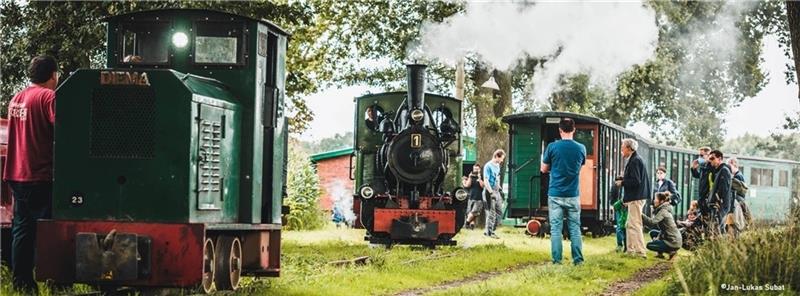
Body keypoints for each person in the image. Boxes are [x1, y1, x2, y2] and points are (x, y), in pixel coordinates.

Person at [3, 55, 58, 292]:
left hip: (16, 174)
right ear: (53, 74)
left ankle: (22, 282)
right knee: (48, 229)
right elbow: (64, 128)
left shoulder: (17, 98)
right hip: (39, 174)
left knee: (22, 229)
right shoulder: (48, 97)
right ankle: (53, 280)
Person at [541, 118, 586, 265]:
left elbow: (544, 169)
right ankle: (578, 260)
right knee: (575, 228)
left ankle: (557, 261)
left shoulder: (552, 147)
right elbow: (579, 168)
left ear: (560, 130)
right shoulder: (581, 148)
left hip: (555, 194)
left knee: (556, 229)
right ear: (574, 130)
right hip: (573, 194)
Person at [616, 138, 650, 258]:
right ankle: (630, 251)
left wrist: (622, 182)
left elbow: (636, 181)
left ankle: (641, 252)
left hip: (636, 197)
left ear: (629, 148)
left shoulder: (634, 161)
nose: (621, 149)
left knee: (635, 225)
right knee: (630, 224)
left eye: (622, 147)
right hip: (637, 196)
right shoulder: (636, 159)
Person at [642, 192, 682, 260]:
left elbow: (652, 222)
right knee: (653, 233)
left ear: (662, 201)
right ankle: (660, 254)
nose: (654, 200)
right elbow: (663, 230)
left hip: (673, 241)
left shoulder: (663, 211)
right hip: (673, 238)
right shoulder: (663, 209)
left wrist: (641, 214)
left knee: (649, 245)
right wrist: (657, 238)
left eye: (656, 199)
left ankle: (672, 251)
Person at [707, 150, 734, 235]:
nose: (710, 160)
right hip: (718, 204)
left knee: (719, 228)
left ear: (720, 159)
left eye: (712, 158)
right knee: (716, 228)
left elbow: (723, 189)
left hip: (720, 204)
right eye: (709, 159)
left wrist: (717, 201)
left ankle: (721, 246)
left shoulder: (724, 170)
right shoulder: (719, 170)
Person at [483, 149, 505, 239]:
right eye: (501, 158)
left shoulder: (497, 165)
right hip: (490, 191)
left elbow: (497, 177)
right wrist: (491, 192)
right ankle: (489, 232)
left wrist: (499, 188)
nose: (502, 160)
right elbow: (486, 180)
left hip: (496, 190)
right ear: (496, 156)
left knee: (499, 212)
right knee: (491, 213)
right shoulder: (488, 166)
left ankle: (491, 229)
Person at [691, 147, 712, 215]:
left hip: (707, 196)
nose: (699, 158)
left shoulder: (711, 167)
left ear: (708, 155)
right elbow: (698, 176)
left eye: (701, 155)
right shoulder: (703, 166)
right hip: (701, 195)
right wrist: (693, 169)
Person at [463, 163, 484, 230]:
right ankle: (472, 225)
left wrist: (480, 178)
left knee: (474, 212)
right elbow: (467, 185)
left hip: (479, 198)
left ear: (479, 169)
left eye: (477, 169)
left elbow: (483, 186)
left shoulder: (482, 176)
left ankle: (466, 222)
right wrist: (470, 177)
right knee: (470, 212)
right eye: (474, 169)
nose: (475, 170)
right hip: (471, 196)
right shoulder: (471, 176)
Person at [610, 176, 626, 253]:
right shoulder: (614, 187)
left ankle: (625, 246)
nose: (617, 184)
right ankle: (620, 245)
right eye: (616, 182)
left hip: (625, 208)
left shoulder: (625, 187)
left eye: (618, 182)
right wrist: (613, 206)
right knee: (619, 226)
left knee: (624, 227)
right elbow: (612, 197)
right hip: (618, 208)